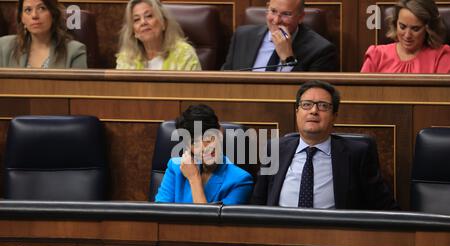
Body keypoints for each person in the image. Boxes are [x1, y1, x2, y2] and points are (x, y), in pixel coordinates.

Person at [251, 80, 399, 210]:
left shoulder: (357, 154)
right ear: (297, 112)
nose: (314, 111)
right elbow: (258, 203)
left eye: (323, 106)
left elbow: (385, 207)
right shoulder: (275, 149)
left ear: (334, 116)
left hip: (335, 237)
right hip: (279, 234)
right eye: (306, 105)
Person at [155, 104, 253, 205]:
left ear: (220, 131)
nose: (203, 148)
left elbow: (206, 220)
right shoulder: (175, 167)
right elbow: (160, 214)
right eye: (194, 142)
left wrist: (194, 178)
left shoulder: (240, 180)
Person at [222, 0, 337, 72]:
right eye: (273, 11)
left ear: (301, 17)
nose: (276, 21)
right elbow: (224, 79)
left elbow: (311, 94)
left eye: (286, 14)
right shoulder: (242, 36)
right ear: (267, 8)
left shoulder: (321, 50)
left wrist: (288, 58)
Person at [361, 0, 450, 73]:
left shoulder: (441, 56)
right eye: (402, 27)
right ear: (395, 24)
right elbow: (361, 92)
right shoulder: (377, 55)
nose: (407, 35)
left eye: (415, 29)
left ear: (429, 29)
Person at [116, 0, 201, 70]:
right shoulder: (126, 58)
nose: (143, 22)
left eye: (149, 16)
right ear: (133, 31)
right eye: (136, 19)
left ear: (164, 23)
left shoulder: (184, 54)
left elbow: (192, 90)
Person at [0, 0, 87, 68]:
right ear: (22, 18)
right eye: (28, 10)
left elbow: (79, 89)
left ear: (53, 14)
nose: (34, 15)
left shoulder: (74, 51)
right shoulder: (4, 47)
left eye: (41, 8)